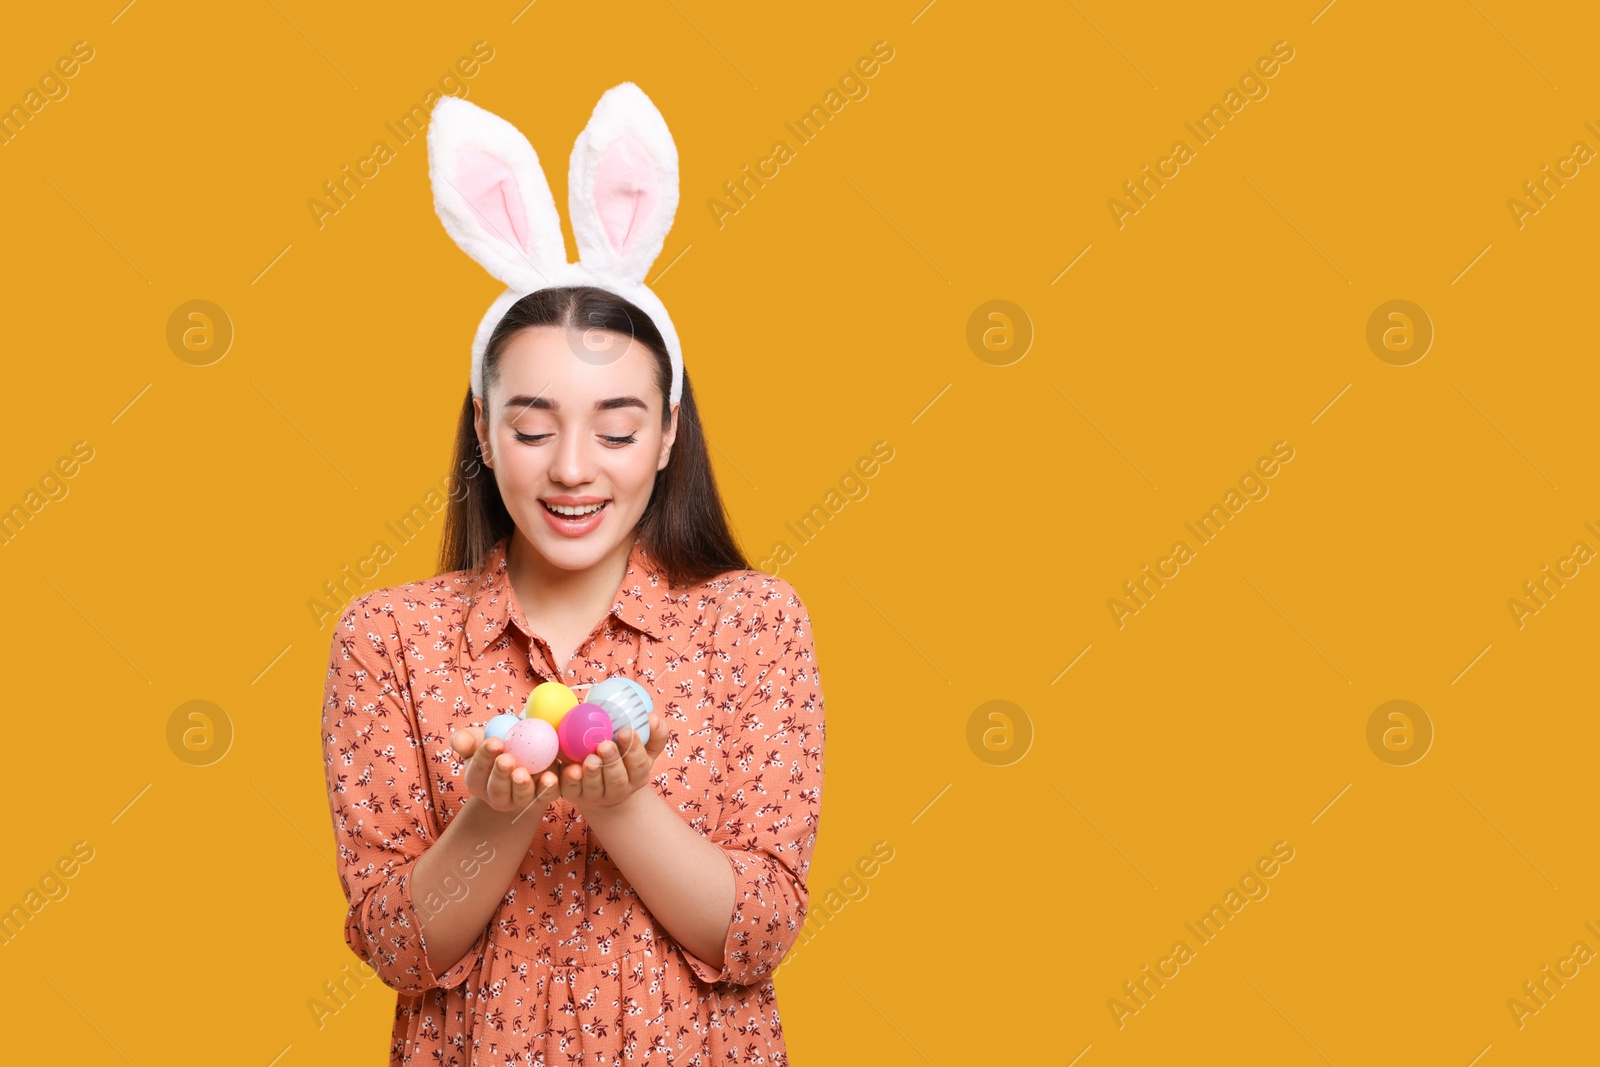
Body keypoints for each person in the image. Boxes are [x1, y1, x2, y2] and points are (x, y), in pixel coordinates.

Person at [319, 283, 826, 1065]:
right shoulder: (389, 638)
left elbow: (758, 932)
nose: (572, 468)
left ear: (666, 435)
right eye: (532, 428)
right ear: (485, 432)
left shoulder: (753, 623)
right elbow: (396, 946)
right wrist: (497, 810)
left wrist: (620, 803)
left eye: (617, 432)